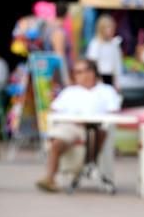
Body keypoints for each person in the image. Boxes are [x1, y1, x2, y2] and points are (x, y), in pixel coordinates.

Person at [35, 59, 121, 193]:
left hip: (97, 129)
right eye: (77, 72)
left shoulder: (106, 91)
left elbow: (113, 112)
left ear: (93, 72)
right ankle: (50, 179)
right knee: (57, 142)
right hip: (71, 126)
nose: (81, 75)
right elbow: (55, 110)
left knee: (99, 133)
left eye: (84, 71)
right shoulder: (69, 92)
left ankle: (87, 167)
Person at [86, 14, 123, 89]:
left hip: (111, 77)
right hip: (100, 77)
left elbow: (117, 64)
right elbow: (92, 63)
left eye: (113, 27)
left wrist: (118, 82)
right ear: (102, 28)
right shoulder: (96, 43)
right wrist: (97, 79)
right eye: (109, 28)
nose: (112, 30)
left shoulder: (114, 44)